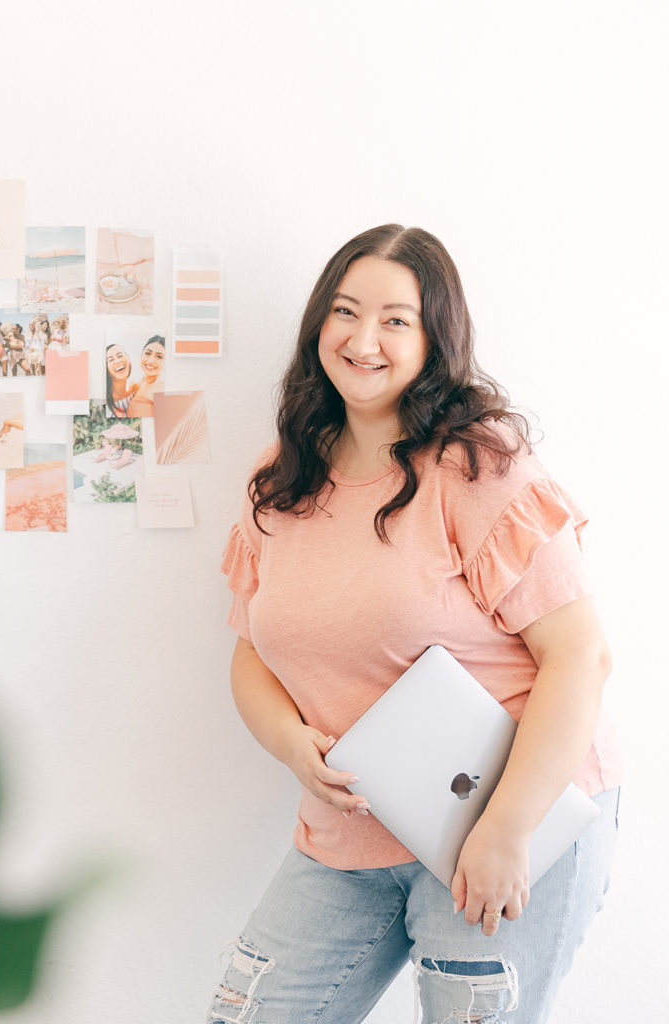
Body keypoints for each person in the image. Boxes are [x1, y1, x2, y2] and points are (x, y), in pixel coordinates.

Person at [209, 224, 620, 1023]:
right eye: (345, 311)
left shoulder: (479, 463)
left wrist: (506, 830)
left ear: (436, 339)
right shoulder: (280, 476)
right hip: (351, 829)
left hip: (508, 813)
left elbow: (580, 657)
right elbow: (251, 654)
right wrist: (293, 746)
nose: (363, 340)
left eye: (397, 319)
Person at [126, 335, 166, 417]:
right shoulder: (137, 383)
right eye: (147, 353)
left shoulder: (163, 389)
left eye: (159, 357)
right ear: (141, 354)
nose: (151, 360)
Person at [106, 344, 138, 417]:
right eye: (110, 360)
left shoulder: (136, 391)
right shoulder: (104, 402)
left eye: (120, 356)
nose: (117, 361)